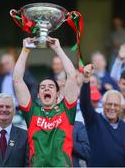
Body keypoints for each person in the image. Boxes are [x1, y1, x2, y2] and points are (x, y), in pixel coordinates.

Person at [13, 36, 79, 167]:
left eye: (50, 87)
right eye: (42, 87)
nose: (46, 88)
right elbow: (17, 80)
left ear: (58, 93)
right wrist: (25, 50)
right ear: (38, 94)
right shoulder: (32, 111)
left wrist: (58, 49)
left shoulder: (66, 109)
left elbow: (72, 76)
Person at [80, 64, 125, 167]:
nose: (112, 108)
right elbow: (85, 102)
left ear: (120, 107)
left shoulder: (123, 127)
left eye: (116, 105)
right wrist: (86, 79)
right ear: (103, 105)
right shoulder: (94, 120)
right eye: (109, 104)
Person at [0, 93, 29, 167]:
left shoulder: (25, 136)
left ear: (14, 111)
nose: (4, 109)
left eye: (8, 107)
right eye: (0, 106)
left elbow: (28, 165)